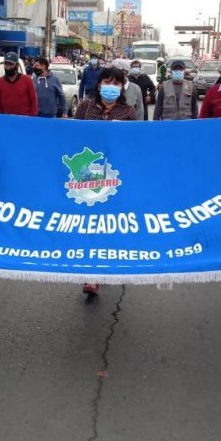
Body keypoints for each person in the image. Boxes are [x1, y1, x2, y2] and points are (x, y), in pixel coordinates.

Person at [73, 65, 136, 296]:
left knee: (108, 223)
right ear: (99, 85)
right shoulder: (85, 107)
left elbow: (132, 144)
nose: (111, 87)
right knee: (90, 222)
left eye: (116, 83)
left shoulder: (127, 112)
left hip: (116, 175)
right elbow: (70, 137)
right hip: (87, 174)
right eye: (107, 82)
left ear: (122, 87)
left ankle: (106, 264)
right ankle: (91, 275)